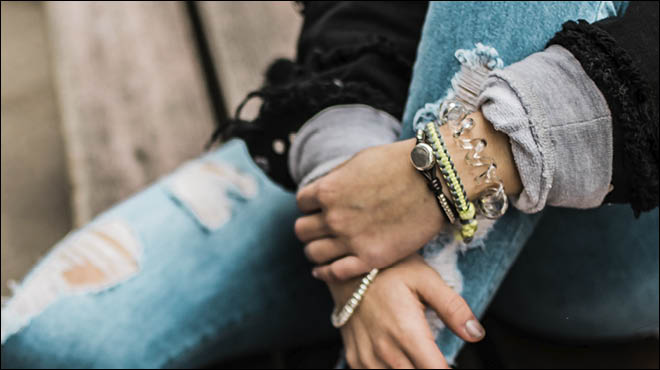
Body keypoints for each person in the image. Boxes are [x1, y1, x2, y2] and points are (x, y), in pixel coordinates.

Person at [1, 1, 657, 369]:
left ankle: (418, 324)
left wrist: (463, 163)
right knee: (53, 343)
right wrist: (355, 177)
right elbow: (357, 12)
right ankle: (400, 279)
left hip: (618, 227)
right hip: (392, 141)